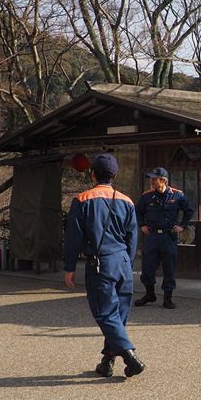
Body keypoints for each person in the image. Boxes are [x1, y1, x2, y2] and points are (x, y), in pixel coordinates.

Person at [64, 153, 146, 378]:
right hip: (122, 262)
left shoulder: (82, 200)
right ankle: (107, 361)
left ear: (93, 174)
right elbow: (132, 236)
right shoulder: (127, 200)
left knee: (105, 313)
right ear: (115, 175)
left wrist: (69, 267)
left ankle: (130, 355)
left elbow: (73, 237)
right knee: (118, 314)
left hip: (101, 263)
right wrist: (128, 262)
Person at [135, 167, 194, 309]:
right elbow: (137, 211)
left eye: (154, 179)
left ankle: (168, 299)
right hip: (152, 236)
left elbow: (189, 210)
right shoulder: (147, 196)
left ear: (163, 180)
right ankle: (150, 294)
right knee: (147, 268)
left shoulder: (177, 195)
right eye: (151, 179)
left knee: (169, 268)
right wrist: (141, 225)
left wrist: (182, 226)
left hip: (169, 236)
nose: (152, 181)